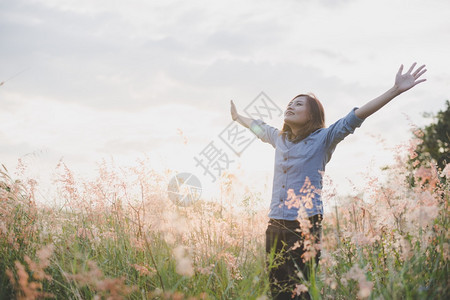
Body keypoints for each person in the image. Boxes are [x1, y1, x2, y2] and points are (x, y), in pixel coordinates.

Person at [230, 63, 427, 299]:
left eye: (298, 104)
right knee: (277, 291)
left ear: (312, 115)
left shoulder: (323, 139)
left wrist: (394, 90)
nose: (291, 106)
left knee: (299, 292)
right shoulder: (279, 138)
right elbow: (258, 127)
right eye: (290, 103)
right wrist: (237, 117)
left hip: (304, 226)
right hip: (275, 224)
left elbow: (355, 117)